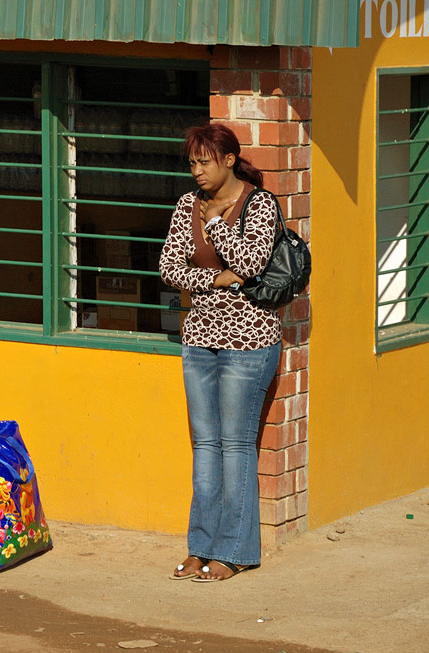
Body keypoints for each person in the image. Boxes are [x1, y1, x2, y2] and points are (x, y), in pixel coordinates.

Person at [158, 123, 282, 582]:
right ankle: (201, 546)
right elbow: (169, 268)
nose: (197, 172)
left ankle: (236, 550)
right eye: (191, 163)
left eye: (204, 161)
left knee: (235, 445)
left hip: (249, 343)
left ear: (228, 160)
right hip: (199, 341)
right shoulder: (184, 205)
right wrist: (214, 279)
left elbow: (249, 264)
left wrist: (214, 223)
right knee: (206, 446)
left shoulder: (259, 204)